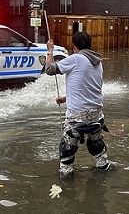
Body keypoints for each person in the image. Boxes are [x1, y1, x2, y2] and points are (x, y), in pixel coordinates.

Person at [45, 31, 111, 176]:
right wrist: (66, 97)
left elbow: (49, 70)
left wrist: (50, 50)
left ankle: (67, 177)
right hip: (96, 115)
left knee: (67, 148)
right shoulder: (97, 62)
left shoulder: (75, 58)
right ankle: (103, 168)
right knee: (97, 145)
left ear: (74, 46)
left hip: (77, 117)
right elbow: (88, 88)